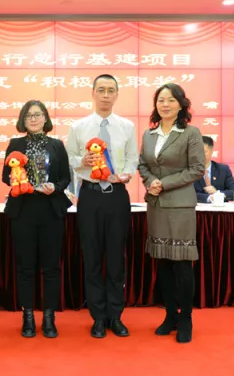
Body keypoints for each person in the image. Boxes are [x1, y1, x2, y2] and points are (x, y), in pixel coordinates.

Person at [65, 74, 138, 338]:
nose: (106, 95)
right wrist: (82, 160)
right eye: (101, 90)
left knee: (116, 258)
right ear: (93, 93)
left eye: (110, 90)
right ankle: (97, 317)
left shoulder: (127, 126)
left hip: (117, 195)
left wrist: (126, 174)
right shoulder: (78, 127)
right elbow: (68, 159)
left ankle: (115, 315)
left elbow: (132, 158)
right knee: (92, 257)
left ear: (117, 94)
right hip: (90, 196)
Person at [137, 83, 204, 343]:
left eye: (170, 100)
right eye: (160, 100)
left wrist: (163, 183)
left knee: (182, 265)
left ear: (181, 104)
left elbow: (197, 168)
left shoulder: (190, 133)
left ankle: (185, 318)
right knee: (163, 263)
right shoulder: (149, 134)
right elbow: (142, 164)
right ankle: (170, 316)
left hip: (180, 206)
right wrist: (150, 181)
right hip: (156, 206)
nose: (165, 104)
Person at [2, 101, 71, 338]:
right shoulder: (15, 144)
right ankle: (28, 317)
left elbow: (65, 178)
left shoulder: (56, 145)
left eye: (37, 114)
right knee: (25, 267)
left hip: (50, 210)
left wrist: (56, 187)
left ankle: (49, 318)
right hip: (23, 210)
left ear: (45, 118)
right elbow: (5, 176)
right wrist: (18, 181)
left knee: (51, 267)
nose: (33, 119)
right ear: (23, 119)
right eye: (29, 115)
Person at [193, 136, 234, 203]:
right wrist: (209, 198)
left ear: (212, 151)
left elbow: (232, 192)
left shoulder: (223, 170)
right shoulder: (190, 171)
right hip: (197, 208)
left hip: (220, 209)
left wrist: (218, 193)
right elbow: (187, 194)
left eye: (204, 151)